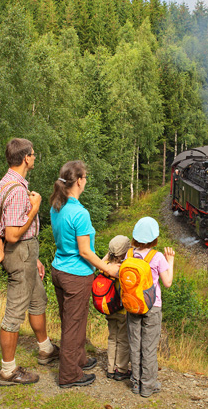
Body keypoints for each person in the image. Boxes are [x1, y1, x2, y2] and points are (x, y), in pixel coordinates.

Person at [0, 138, 58, 386]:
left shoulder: (7, 181)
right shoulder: (19, 191)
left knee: (38, 299)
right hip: (19, 253)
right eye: (32, 153)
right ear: (25, 158)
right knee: (14, 313)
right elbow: (11, 234)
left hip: (27, 253)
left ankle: (46, 349)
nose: (34, 156)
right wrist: (35, 208)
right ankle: (8, 371)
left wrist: (35, 257)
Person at [49, 161, 118, 389]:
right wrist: (107, 268)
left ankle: (78, 360)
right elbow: (85, 251)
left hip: (59, 270)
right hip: (75, 276)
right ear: (78, 180)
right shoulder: (80, 213)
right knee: (73, 325)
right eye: (85, 177)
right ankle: (69, 375)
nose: (86, 181)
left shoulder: (56, 206)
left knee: (73, 321)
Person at [127, 217, 175, 398]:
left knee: (135, 344)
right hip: (152, 307)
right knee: (148, 347)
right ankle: (148, 386)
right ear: (155, 238)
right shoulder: (157, 257)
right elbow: (168, 282)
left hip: (133, 306)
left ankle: (136, 383)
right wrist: (170, 261)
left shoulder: (129, 254)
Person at [104, 235, 131, 381]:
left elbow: (100, 263)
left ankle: (110, 368)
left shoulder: (106, 265)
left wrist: (109, 254)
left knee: (112, 337)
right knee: (123, 339)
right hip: (122, 310)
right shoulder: (123, 268)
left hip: (109, 309)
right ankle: (121, 369)